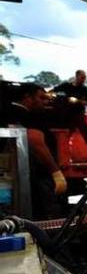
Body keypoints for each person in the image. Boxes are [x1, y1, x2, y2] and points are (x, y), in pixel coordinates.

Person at [3, 83, 66, 220]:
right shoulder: (24, 114)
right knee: (41, 220)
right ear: (27, 97)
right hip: (34, 179)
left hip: (14, 179)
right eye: (41, 98)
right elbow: (34, 139)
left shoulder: (7, 111)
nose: (45, 102)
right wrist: (55, 172)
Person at [54, 70, 87, 161]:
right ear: (77, 76)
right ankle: (65, 158)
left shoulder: (84, 89)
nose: (83, 80)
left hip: (79, 116)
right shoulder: (66, 86)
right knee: (65, 138)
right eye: (82, 78)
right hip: (67, 116)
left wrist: (77, 101)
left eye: (85, 78)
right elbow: (54, 90)